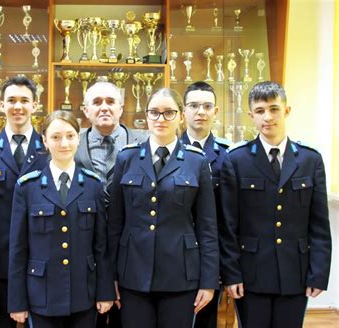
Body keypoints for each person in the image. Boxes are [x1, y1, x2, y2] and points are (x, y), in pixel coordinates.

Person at [219, 81, 332, 328]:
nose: (267, 117)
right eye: (259, 111)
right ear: (251, 116)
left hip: (295, 272)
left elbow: (319, 224)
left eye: (274, 109)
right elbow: (228, 225)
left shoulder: (310, 160)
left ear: (287, 111)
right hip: (251, 273)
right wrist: (232, 273)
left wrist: (319, 273)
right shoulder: (236, 160)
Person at [108, 88, 219, 328]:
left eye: (169, 113)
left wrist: (208, 281)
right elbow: (114, 223)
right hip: (133, 273)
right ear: (146, 116)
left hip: (181, 276)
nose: (161, 119)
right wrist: (111, 277)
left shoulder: (196, 161)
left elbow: (207, 226)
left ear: (181, 116)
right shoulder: (126, 158)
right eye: (155, 113)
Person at [8, 110, 115, 328]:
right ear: (45, 141)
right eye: (55, 137)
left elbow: (101, 246)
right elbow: (18, 249)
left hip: (83, 292)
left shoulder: (93, 185)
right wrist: (17, 301)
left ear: (78, 138)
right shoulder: (28, 187)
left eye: (70, 135)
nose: (63, 143)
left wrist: (105, 292)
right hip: (42, 294)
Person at [0, 76, 48, 328]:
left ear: (35, 105)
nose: (18, 106)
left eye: (25, 100)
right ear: (1, 104)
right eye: (12, 100)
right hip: (0, 263)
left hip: (41, 262)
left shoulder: (50, 149)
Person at [75, 81, 146, 328]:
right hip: (82, 251)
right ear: (85, 110)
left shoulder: (144, 143)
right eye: (96, 102)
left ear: (121, 107)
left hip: (132, 253)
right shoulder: (70, 143)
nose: (104, 107)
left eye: (110, 101)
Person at [181, 81, 231, 328]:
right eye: (193, 105)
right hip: (176, 252)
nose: (200, 111)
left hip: (212, 253)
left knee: (207, 320)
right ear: (183, 111)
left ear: (216, 111)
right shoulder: (168, 151)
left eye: (206, 106)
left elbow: (231, 214)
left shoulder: (228, 155)